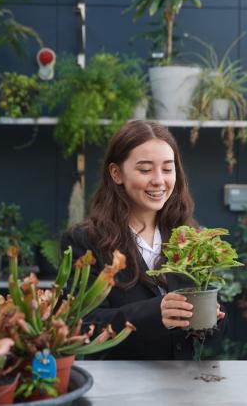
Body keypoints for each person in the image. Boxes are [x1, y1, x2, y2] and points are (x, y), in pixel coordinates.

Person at [61, 120, 225, 360]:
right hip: (120, 390)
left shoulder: (187, 235)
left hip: (182, 389)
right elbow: (83, 324)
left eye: (168, 169)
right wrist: (154, 313)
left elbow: (207, 334)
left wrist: (213, 318)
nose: (159, 180)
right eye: (145, 170)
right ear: (116, 173)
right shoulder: (85, 241)